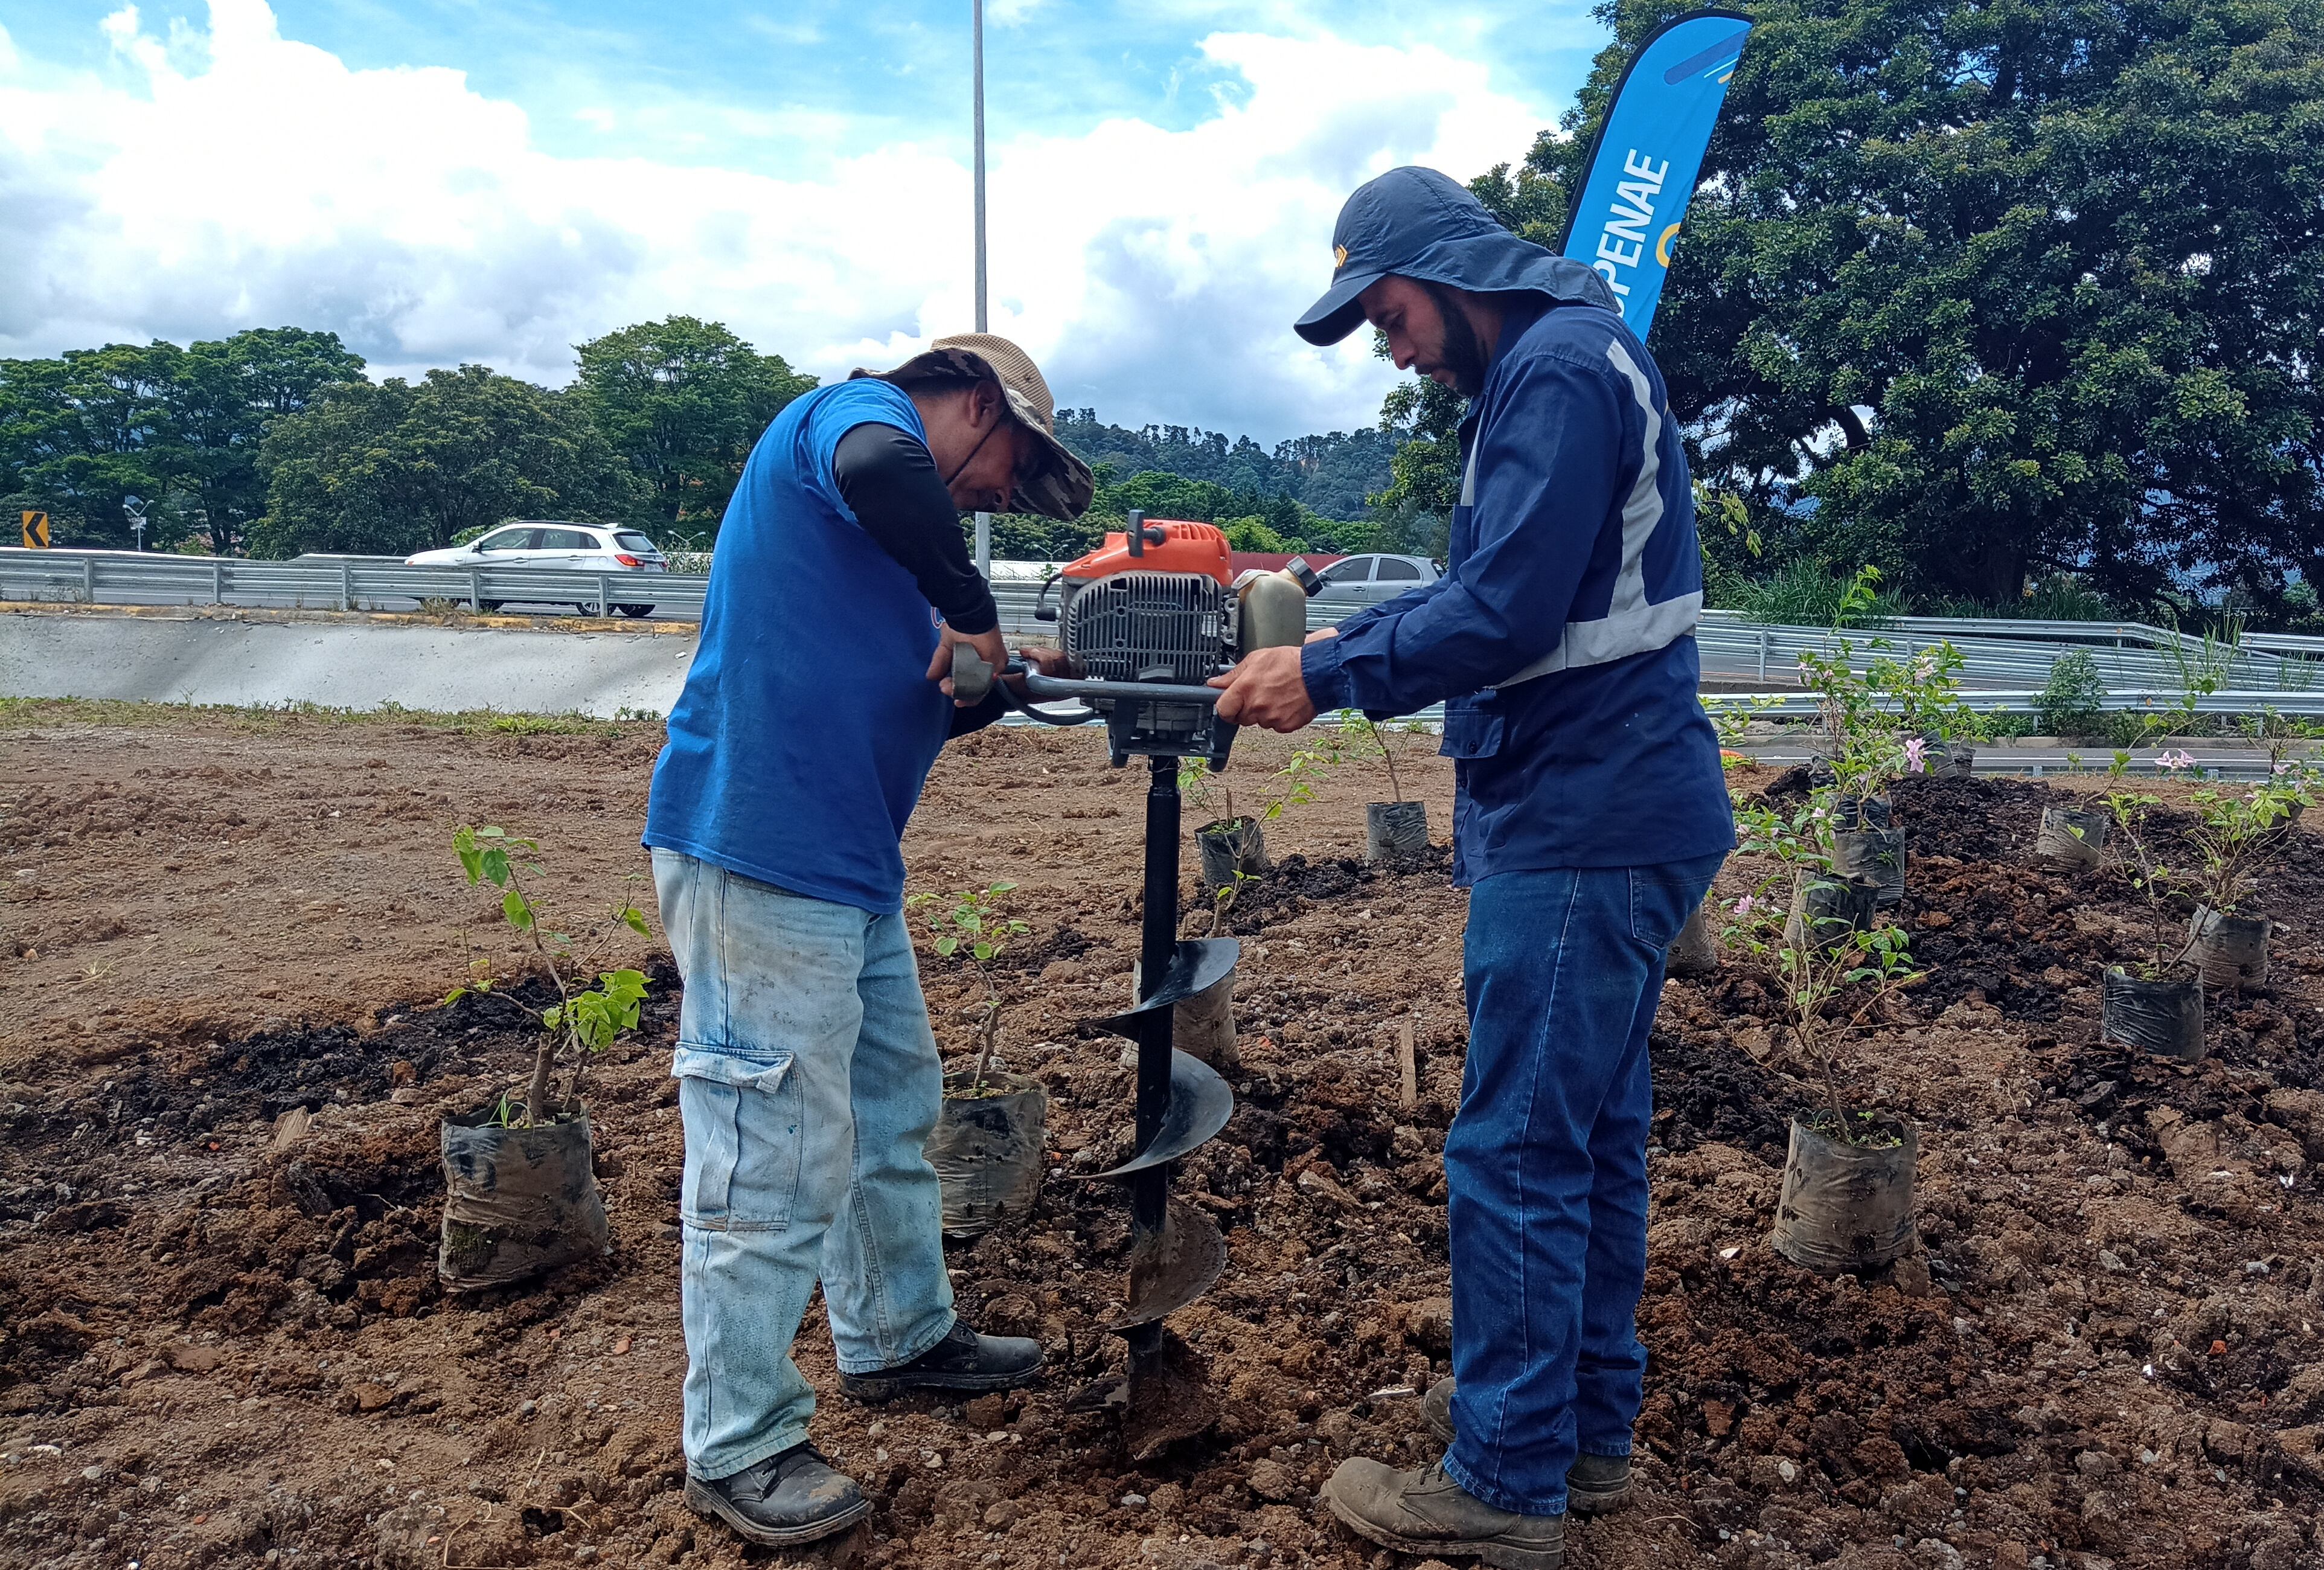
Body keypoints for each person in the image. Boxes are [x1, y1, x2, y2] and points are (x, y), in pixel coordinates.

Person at [1214, 166, 1734, 1569]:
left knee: (1510, 1146)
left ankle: (1503, 1485)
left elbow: (1501, 607)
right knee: (1587, 1135)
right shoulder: (1561, 363)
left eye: (1382, 314)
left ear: (1443, 270)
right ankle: (1582, 1436)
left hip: (1586, 814)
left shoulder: (1554, 372)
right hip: (1617, 805)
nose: (1383, 344)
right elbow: (1512, 589)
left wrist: (1326, 670)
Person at [641, 333, 1095, 1546]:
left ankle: (898, 1333)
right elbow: (890, 463)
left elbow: (909, 699)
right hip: (757, 850)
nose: (996, 497)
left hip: (845, 865)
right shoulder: (847, 426)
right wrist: (972, 611)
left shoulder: (888, 556)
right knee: (768, 1145)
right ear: (973, 403)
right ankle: (736, 1441)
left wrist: (1015, 682)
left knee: (893, 1103)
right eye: (1005, 468)